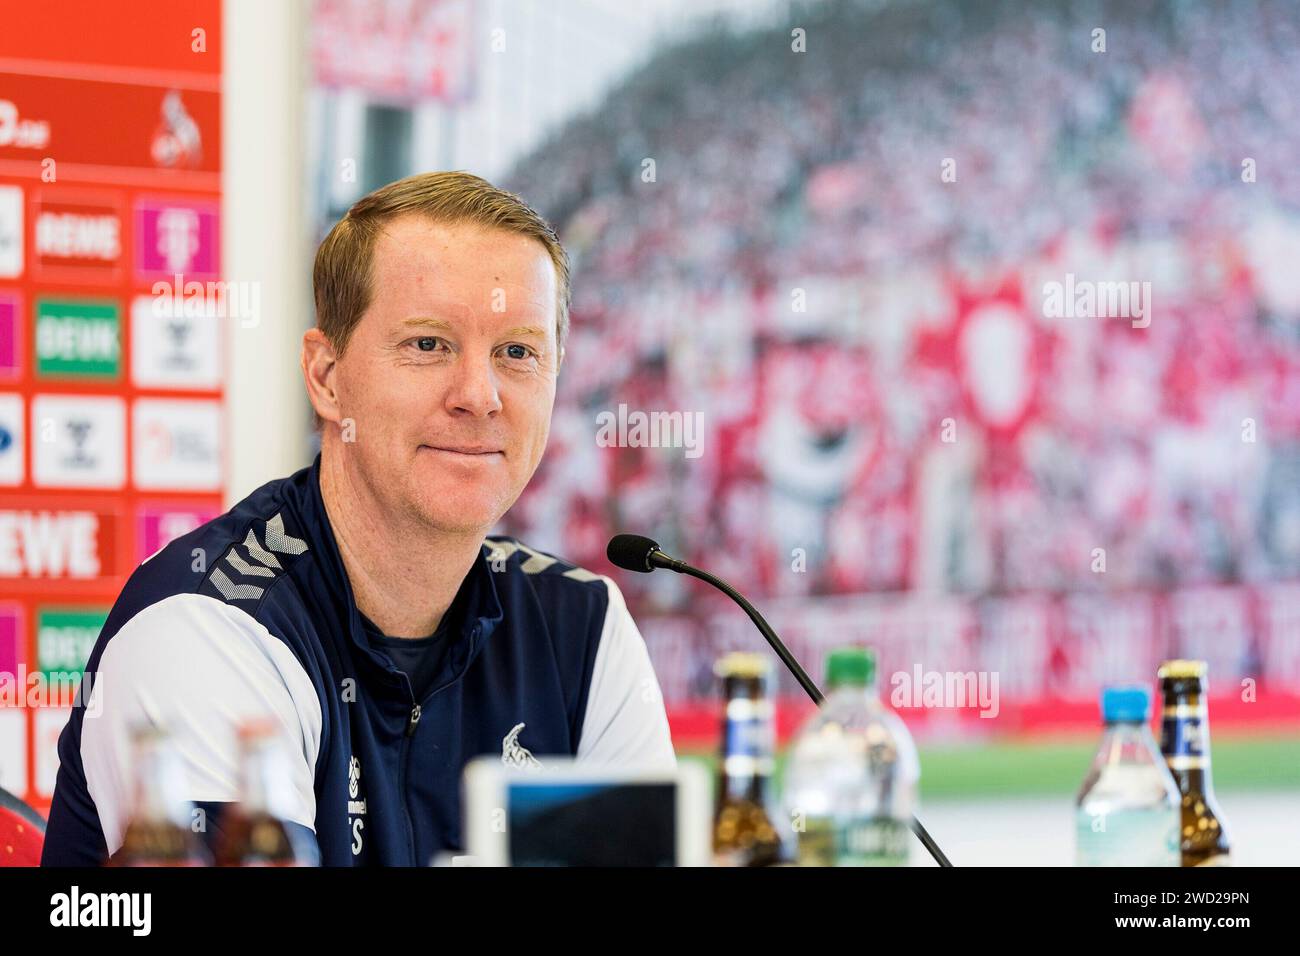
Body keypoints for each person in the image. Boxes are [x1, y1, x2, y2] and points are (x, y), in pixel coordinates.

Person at [41, 171, 676, 866]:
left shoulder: (582, 627)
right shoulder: (207, 624)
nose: (479, 395)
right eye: (428, 344)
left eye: (517, 352)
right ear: (327, 376)